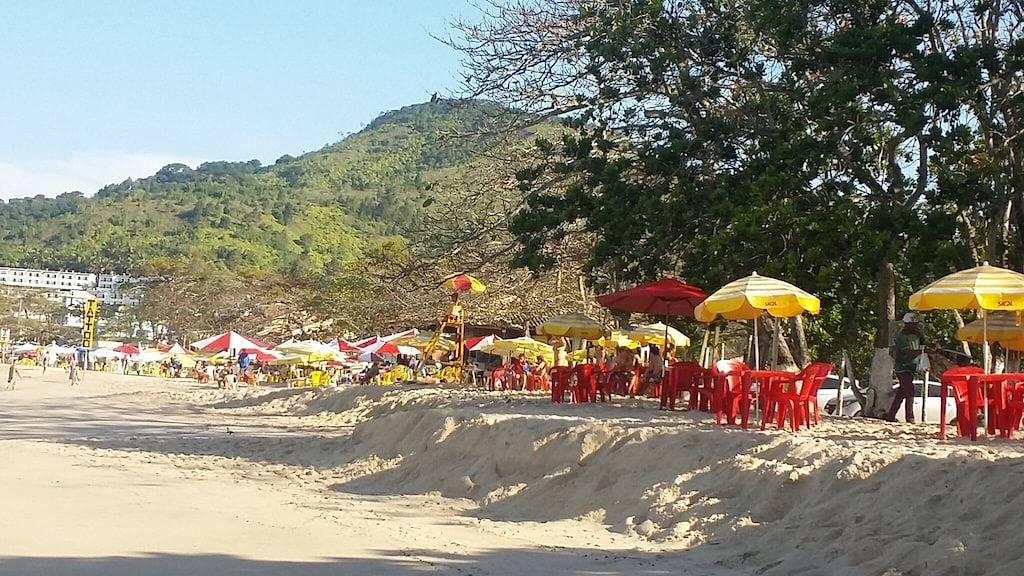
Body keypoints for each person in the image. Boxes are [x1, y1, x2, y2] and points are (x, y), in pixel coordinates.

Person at [889, 312, 933, 423]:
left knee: (901, 393)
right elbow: (908, 352)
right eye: (913, 324)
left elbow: (924, 342)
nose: (915, 326)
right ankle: (910, 417)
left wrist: (932, 345)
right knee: (910, 392)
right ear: (907, 324)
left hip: (912, 367)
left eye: (916, 324)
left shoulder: (918, 333)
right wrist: (923, 351)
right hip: (902, 368)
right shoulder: (901, 337)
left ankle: (890, 416)